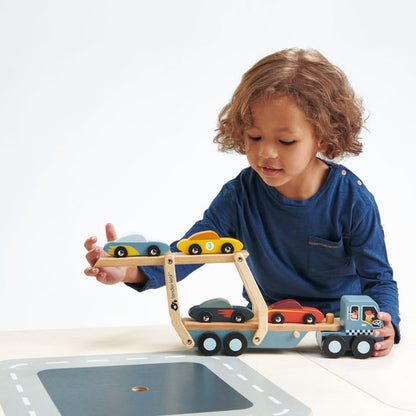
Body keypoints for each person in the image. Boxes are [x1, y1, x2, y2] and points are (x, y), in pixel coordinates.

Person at [84, 48, 400, 357]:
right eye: (254, 137)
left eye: (286, 141)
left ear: (324, 137)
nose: (266, 153)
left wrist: (386, 322)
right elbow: (190, 252)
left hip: (334, 331)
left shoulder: (352, 198)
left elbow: (378, 277)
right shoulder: (239, 195)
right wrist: (129, 271)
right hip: (266, 332)